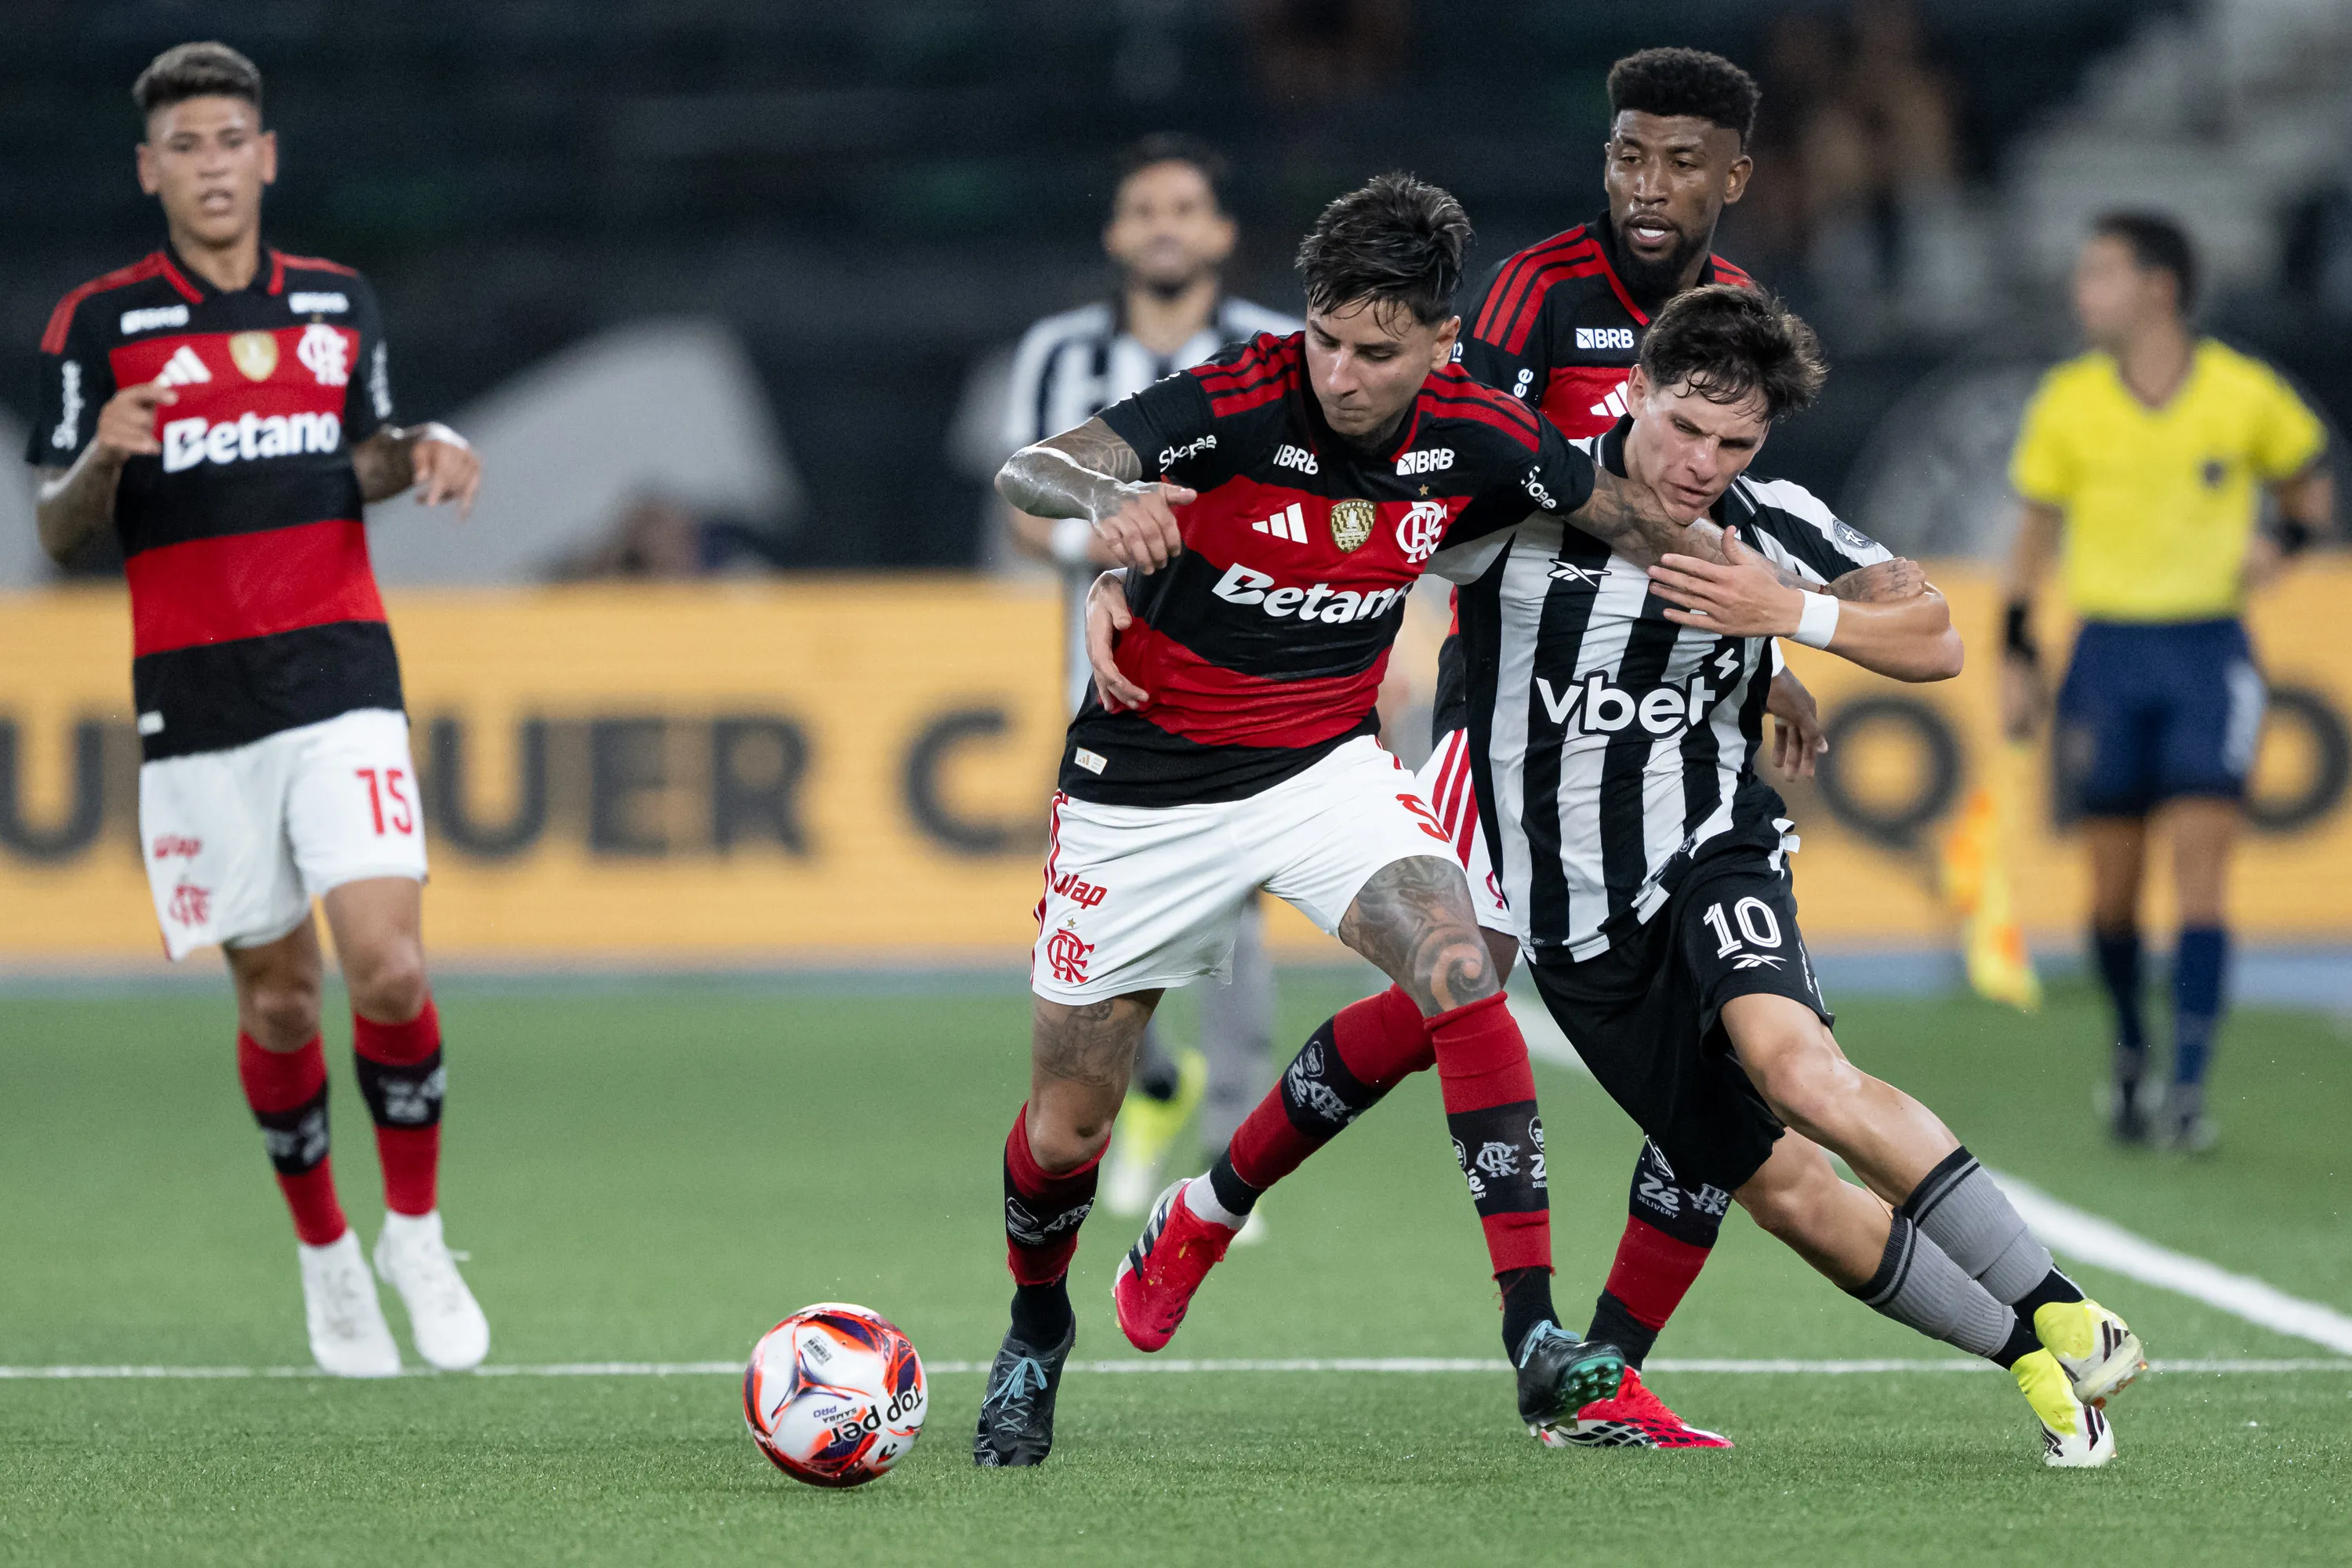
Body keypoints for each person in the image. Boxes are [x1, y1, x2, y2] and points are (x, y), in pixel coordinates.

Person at [1102, 285, 2150, 1468]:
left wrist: (1787, 618)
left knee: (1793, 1071)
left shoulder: (1770, 518)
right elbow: (1300, 510)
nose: (1704, 464)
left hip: (1712, 853)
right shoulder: (1518, 488)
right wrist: (1124, 579)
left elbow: (1936, 637)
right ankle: (1211, 1207)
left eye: (1736, 443)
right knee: (1540, 1049)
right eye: (1685, 430)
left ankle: (2042, 1322)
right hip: (1543, 861)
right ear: (1633, 391)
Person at [974, 172, 1707, 1466]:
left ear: (1441, 341)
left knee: (1461, 967)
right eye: (1325, 337)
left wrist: (1781, 621)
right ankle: (1037, 1332)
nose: (1342, 373)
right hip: (1142, 792)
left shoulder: (1485, 431)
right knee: (1070, 1122)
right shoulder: (1238, 399)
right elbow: (1033, 467)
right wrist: (1104, 501)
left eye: (1377, 351)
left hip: (1323, 767)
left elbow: (1631, 520)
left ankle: (1534, 1339)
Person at [27, 42, 488, 1377]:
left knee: (389, 964)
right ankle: (327, 1254)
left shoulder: (339, 303)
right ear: (149, 171)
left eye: (232, 139)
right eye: (186, 146)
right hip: (199, 699)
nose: (213, 164)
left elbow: (364, 455)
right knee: (282, 1003)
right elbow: (58, 537)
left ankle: (415, 1229)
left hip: (343, 673)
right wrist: (101, 461)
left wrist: (426, 452)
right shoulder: (97, 325)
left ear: (266, 156)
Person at [1433, 45, 1830, 1445]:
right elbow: (1458, 461)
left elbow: (1742, 520)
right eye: (1626, 155)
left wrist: (1766, 656)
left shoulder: (1736, 318)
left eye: (1680, 163)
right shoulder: (1537, 290)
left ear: (1734, 178)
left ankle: (1600, 1369)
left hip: (1662, 721)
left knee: (1731, 1034)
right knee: (1458, 981)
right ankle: (1210, 1209)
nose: (1647, 187)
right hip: (1508, 708)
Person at [996, 136, 1298, 1222]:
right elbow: (1026, 516)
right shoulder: (1057, 355)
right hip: (1107, 667)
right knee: (1089, 901)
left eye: (1186, 206)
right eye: (1143, 208)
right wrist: (1122, 542)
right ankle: (1157, 1081)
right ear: (1117, 233)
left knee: (1239, 905)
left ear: (1220, 231)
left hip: (1245, 662)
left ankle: (1229, 1149)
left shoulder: (1277, 346)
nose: (1165, 224)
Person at [2004, 213, 2333, 1152]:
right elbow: (2032, 539)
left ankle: (2188, 1083)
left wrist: (2290, 541)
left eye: (2100, 272)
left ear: (2160, 287)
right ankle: (2134, 1044)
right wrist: (2019, 658)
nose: (2083, 291)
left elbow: (2311, 487)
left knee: (2201, 876)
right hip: (2107, 654)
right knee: (2111, 894)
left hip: (2208, 653)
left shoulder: (2243, 393)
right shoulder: (2069, 400)